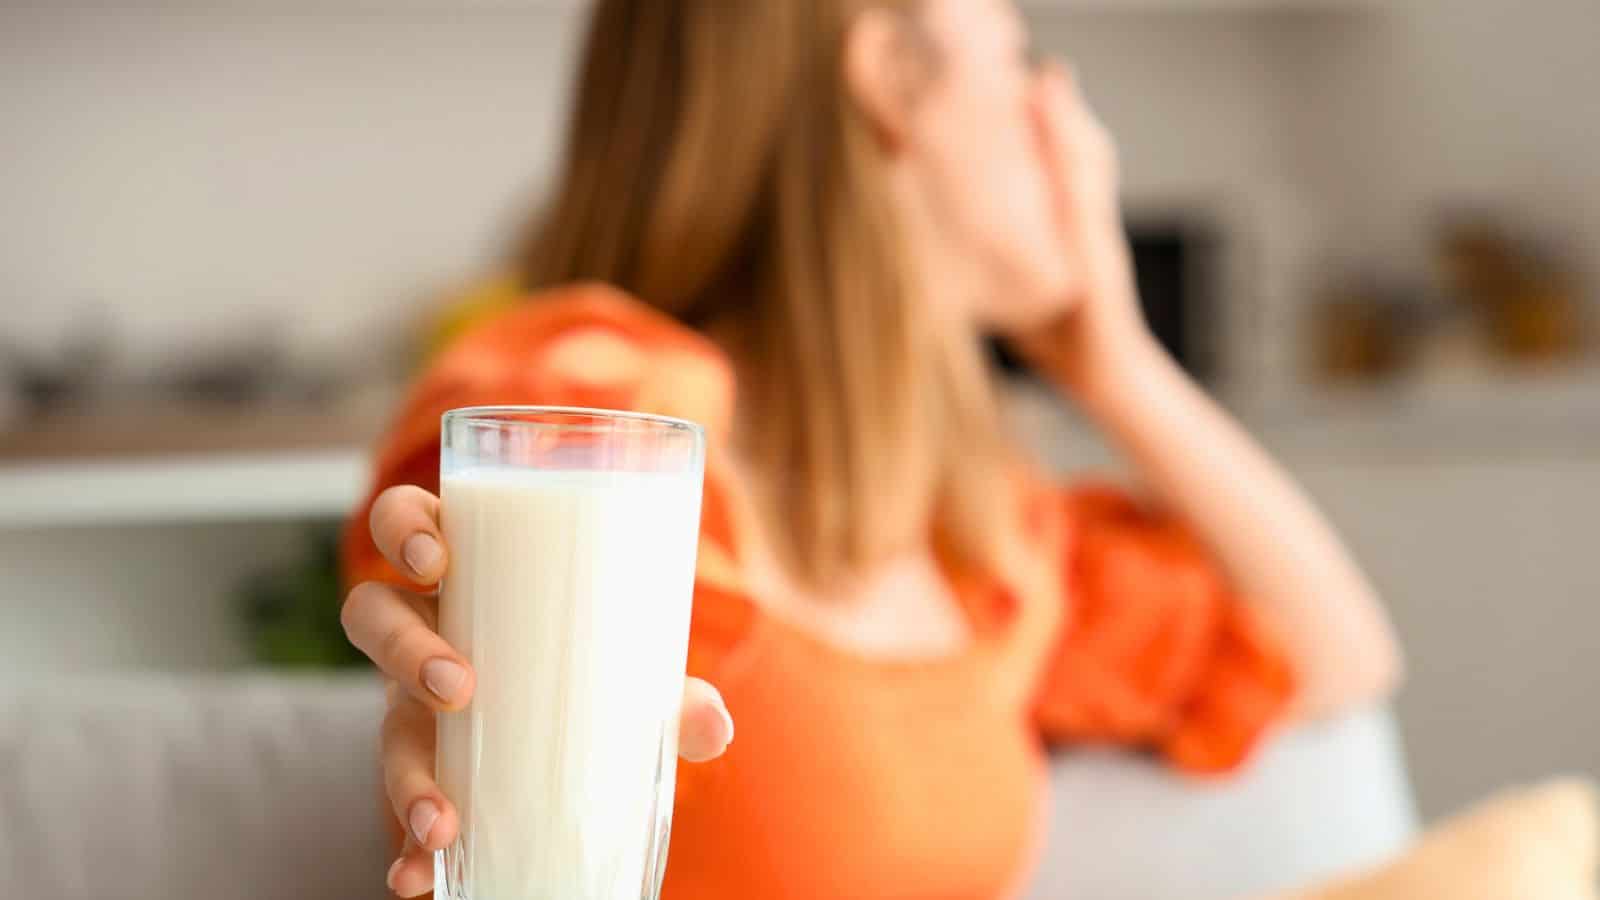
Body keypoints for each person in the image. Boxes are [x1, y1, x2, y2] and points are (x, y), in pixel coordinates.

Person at [339, 0, 1403, 896]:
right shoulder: (617, 408)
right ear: (890, 76)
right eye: (1021, 67)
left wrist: (1114, 360)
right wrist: (464, 686)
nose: (1078, 138)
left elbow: (1335, 658)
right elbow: (509, 703)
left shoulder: (983, 541)